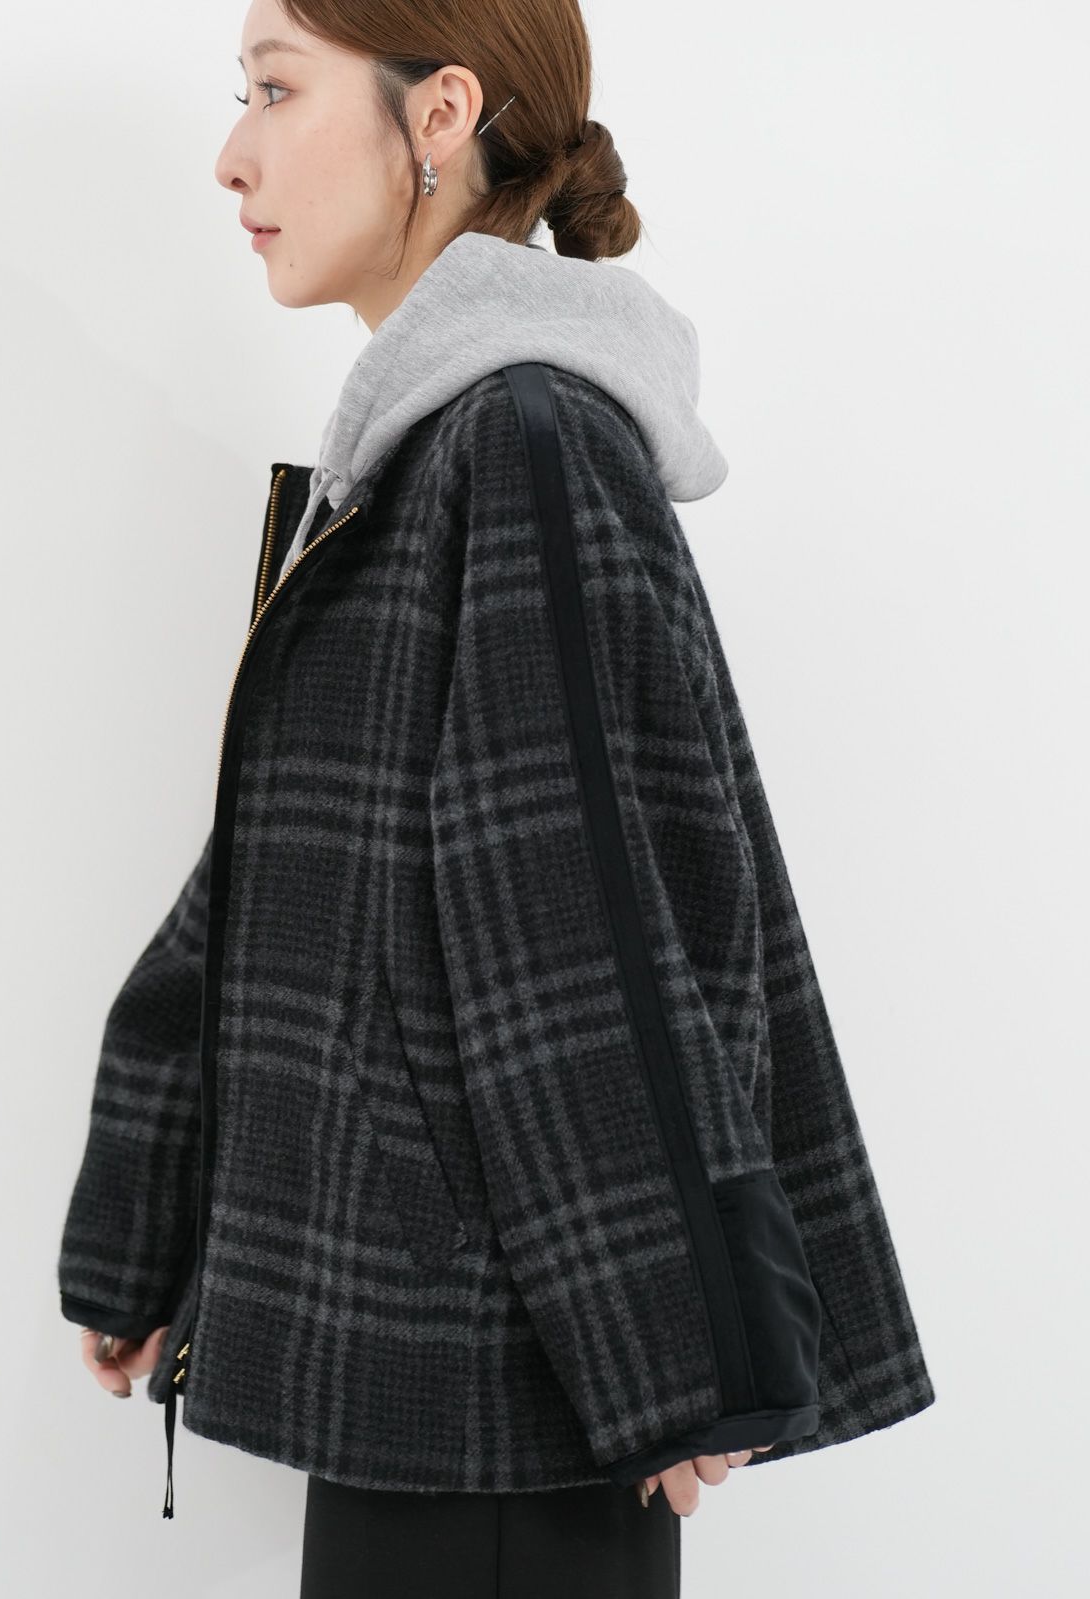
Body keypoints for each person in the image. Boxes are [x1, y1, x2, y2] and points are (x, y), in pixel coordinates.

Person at [59, 3, 935, 1594]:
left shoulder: (524, 442)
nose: (232, 154)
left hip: (511, 1399)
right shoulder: (428, 451)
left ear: (440, 113)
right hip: (431, 1370)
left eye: (276, 91)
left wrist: (678, 1350)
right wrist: (156, 1218)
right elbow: (285, 880)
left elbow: (584, 921)